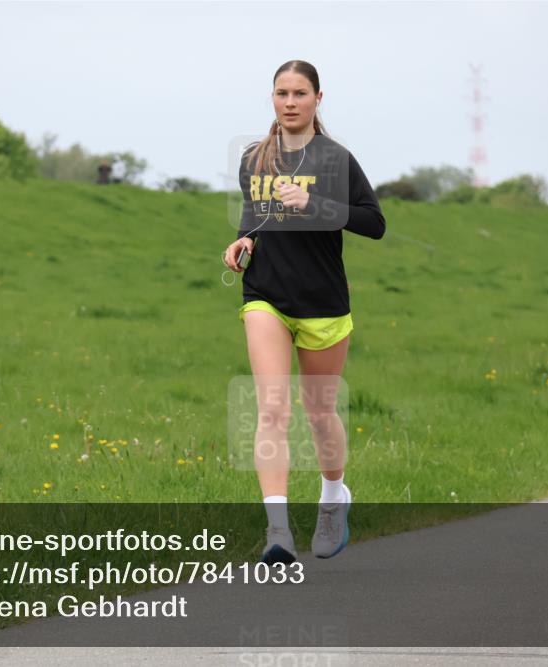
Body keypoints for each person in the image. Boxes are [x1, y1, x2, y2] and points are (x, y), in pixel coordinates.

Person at [222, 60, 386, 565]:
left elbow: (374, 223)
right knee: (272, 409)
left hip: (322, 301)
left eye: (299, 93)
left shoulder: (336, 160)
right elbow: (256, 215)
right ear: (272, 98)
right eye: (281, 93)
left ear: (318, 98)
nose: (289, 102)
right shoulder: (255, 158)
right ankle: (277, 532)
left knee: (319, 413)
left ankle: (334, 496)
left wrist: (313, 204)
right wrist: (243, 241)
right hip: (265, 294)